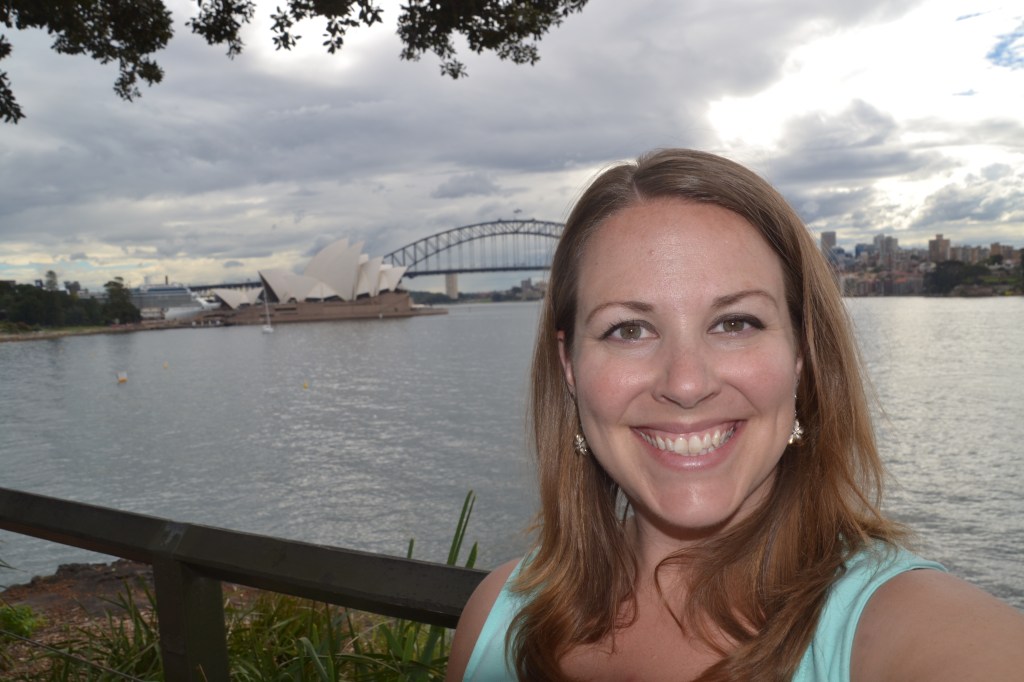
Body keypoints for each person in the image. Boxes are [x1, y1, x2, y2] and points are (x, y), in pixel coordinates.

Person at [445, 149, 1024, 682]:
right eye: (629, 329)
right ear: (569, 366)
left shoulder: (904, 626)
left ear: (800, 353)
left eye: (735, 323)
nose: (687, 383)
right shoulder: (495, 617)